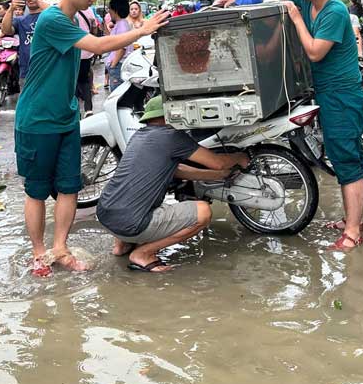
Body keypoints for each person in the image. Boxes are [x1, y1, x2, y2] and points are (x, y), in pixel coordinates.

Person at [15, 0, 169, 277]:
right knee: (37, 191)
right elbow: (98, 44)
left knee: (69, 187)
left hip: (66, 116)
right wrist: (146, 29)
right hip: (38, 119)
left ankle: (61, 249)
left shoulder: (66, 17)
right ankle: (39, 254)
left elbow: (59, 11)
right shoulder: (54, 21)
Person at [216, 0, 363, 250]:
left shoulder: (334, 11)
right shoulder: (306, 0)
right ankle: (354, 220)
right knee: (344, 155)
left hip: (342, 93)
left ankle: (352, 232)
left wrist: (297, 19)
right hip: (327, 91)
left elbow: (314, 53)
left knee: (347, 159)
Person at [97, 96, 249, 272]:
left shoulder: (139, 135)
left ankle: (121, 247)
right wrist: (240, 157)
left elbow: (177, 170)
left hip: (106, 215)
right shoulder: (172, 136)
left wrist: (219, 176)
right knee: (203, 212)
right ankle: (143, 254)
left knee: (132, 198)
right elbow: (218, 162)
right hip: (131, 224)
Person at [1, 0, 45, 89]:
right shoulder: (21, 20)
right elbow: (6, 30)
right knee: (28, 105)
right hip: (27, 72)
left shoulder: (49, 15)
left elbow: (60, 16)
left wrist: (36, 0)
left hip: (48, 72)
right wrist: (11, 9)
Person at [74, 6, 100, 115]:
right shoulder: (89, 10)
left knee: (73, 82)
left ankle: (75, 110)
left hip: (72, 51)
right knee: (84, 81)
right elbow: (94, 30)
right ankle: (88, 109)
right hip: (86, 51)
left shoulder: (67, 9)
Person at [106, 0, 133, 90]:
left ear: (116, 10)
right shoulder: (120, 24)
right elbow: (113, 40)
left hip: (118, 66)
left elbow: (122, 48)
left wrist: (113, 65)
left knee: (117, 97)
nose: (108, 11)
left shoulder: (122, 25)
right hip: (117, 65)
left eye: (110, 8)